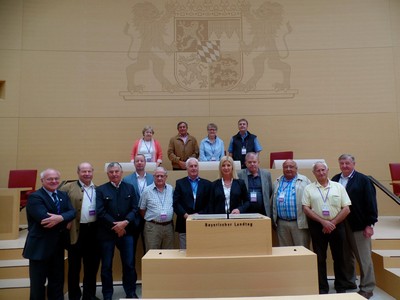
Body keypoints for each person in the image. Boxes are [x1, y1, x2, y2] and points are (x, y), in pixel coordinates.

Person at [23, 168, 76, 300]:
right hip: (39, 248)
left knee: (57, 282)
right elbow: (44, 219)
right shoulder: (35, 197)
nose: (54, 181)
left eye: (56, 179)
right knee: (37, 285)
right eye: (50, 179)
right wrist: (65, 218)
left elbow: (73, 212)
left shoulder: (63, 195)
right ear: (42, 181)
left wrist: (60, 218)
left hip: (57, 247)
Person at [332, 154, 378, 299]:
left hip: (359, 224)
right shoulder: (335, 179)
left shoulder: (363, 180)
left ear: (353, 164)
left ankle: (367, 287)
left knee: (364, 258)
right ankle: (349, 282)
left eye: (347, 163)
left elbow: (371, 202)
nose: (344, 166)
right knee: (346, 256)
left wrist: (369, 224)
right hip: (341, 224)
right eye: (342, 163)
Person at [302, 161, 351, 294]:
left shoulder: (338, 186)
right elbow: (306, 208)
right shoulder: (309, 188)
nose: (321, 172)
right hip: (318, 227)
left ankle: (341, 287)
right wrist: (323, 222)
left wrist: (332, 223)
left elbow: (346, 209)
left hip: (337, 226)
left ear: (327, 170)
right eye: (318, 170)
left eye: (323, 170)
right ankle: (322, 288)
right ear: (314, 173)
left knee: (339, 257)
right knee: (319, 258)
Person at [96, 162, 140, 300]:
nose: (114, 174)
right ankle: (107, 295)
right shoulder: (101, 190)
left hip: (127, 232)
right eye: (111, 172)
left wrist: (125, 223)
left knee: (129, 264)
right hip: (107, 233)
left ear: (121, 173)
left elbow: (135, 208)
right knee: (106, 266)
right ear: (108, 174)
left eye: (117, 171)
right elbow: (100, 211)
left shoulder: (130, 188)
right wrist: (116, 226)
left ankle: (130, 292)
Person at [59, 162, 100, 300]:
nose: (87, 174)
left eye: (89, 171)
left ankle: (89, 295)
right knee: (74, 268)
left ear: (92, 172)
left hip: (93, 232)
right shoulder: (67, 188)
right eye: (84, 171)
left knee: (91, 267)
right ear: (78, 172)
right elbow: (57, 205)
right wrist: (65, 220)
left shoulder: (98, 189)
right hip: (76, 232)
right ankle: (75, 296)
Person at [271, 159, 311, 248]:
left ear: (296, 168)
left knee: (302, 251)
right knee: (285, 252)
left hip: (299, 223)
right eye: (286, 167)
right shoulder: (277, 182)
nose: (288, 169)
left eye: (291, 167)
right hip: (281, 224)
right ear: (282, 169)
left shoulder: (305, 181)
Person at [173, 158, 212, 249]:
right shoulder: (180, 183)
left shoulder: (207, 184)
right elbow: (176, 203)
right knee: (184, 252)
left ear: (198, 168)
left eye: (195, 166)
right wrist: (186, 215)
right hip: (184, 223)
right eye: (191, 166)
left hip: (202, 222)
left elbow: (209, 204)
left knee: (201, 250)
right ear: (187, 168)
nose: (193, 168)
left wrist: (199, 215)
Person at [123, 153, 154, 251]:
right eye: (137, 161)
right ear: (134, 163)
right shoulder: (126, 179)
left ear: (145, 163)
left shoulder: (153, 178)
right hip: (133, 218)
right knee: (132, 248)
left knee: (149, 247)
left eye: (142, 161)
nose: (139, 163)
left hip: (149, 216)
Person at [140, 167, 174, 251]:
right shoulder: (147, 191)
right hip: (153, 227)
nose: (159, 178)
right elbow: (142, 209)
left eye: (162, 176)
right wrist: (153, 219)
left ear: (166, 177)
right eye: (157, 176)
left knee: (168, 254)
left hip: (168, 227)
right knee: (152, 254)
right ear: (153, 177)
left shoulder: (171, 189)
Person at [237, 152, 272, 216]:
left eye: (254, 162)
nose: (252, 164)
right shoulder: (239, 175)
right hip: (246, 212)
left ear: (258, 162)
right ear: (246, 163)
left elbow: (269, 192)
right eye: (249, 162)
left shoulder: (266, 174)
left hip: (263, 212)